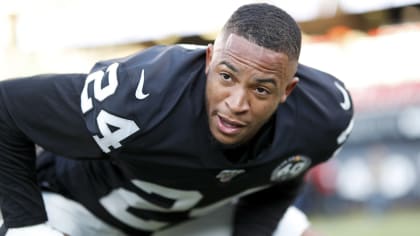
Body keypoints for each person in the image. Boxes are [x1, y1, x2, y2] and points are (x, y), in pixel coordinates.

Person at [0, 3, 353, 236]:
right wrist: (27, 227)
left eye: (261, 90)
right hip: (80, 211)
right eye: (226, 77)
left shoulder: (322, 117)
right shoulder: (142, 97)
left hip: (191, 214)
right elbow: (7, 106)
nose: (236, 103)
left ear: (287, 91)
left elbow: (286, 172)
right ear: (209, 60)